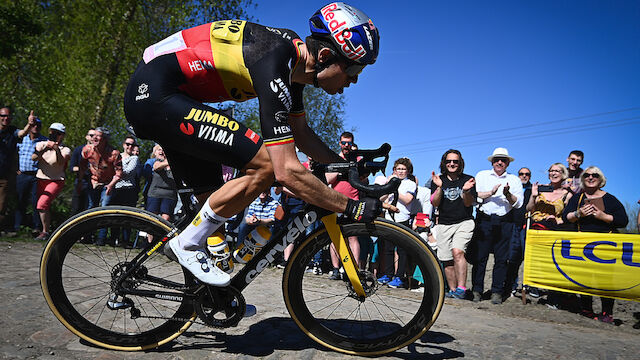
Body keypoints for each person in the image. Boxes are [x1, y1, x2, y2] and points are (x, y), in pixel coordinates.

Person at [123, 3, 381, 286]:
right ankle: (187, 245)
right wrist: (350, 207)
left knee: (215, 204)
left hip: (170, 98)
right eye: (353, 68)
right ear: (325, 55)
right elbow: (285, 171)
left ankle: (210, 294)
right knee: (266, 165)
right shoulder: (275, 58)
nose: (354, 79)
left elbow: (301, 133)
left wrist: (348, 168)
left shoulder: (291, 65)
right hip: (155, 96)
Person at [563, 166, 628, 323]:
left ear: (601, 179)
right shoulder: (577, 198)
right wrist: (579, 214)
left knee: (605, 280)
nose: (591, 178)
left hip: (606, 245)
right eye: (587, 175)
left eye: (595, 175)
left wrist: (603, 216)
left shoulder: (610, 199)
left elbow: (623, 221)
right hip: (582, 244)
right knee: (584, 277)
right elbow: (566, 217)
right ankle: (587, 309)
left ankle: (607, 312)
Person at [472, 147, 524, 304]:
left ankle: (496, 291)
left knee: (501, 259)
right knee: (480, 258)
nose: (499, 162)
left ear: (508, 163)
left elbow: (518, 203)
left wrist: (507, 194)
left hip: (504, 221)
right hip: (484, 220)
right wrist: (490, 193)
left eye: (503, 160)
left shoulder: (514, 180)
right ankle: (476, 290)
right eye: (497, 159)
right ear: (492, 162)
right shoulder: (482, 175)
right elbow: (474, 196)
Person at [430, 149, 476, 299]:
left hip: (464, 222)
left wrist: (466, 191)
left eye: (455, 161)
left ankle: (462, 288)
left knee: (458, 252)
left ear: (460, 163)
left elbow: (469, 204)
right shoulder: (438, 179)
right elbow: (435, 203)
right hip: (444, 223)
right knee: (446, 258)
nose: (452, 164)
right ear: (444, 163)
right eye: (449, 161)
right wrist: (438, 187)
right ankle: (453, 290)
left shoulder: (468, 179)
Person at [326, 132, 362, 280]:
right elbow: (328, 178)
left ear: (352, 143)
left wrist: (353, 165)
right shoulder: (334, 158)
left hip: (353, 201)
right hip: (335, 202)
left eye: (349, 143)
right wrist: (342, 168)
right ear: (339, 143)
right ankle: (336, 269)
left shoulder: (358, 159)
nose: (346, 146)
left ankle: (353, 269)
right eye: (343, 143)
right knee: (335, 237)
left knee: (353, 237)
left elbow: (364, 179)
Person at [378, 158, 416, 289]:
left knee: (401, 250)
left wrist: (395, 188)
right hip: (389, 218)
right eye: (398, 169)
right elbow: (381, 198)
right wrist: (388, 188)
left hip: (402, 218)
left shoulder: (410, 184)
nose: (400, 171)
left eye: (403, 169)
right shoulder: (390, 182)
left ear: (408, 171)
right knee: (388, 249)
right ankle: (388, 275)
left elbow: (407, 200)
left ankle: (399, 276)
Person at [0, 108, 38, 231]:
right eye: (3, 116)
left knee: (1, 204)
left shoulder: (12, 131)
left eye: (8, 116)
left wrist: (29, 124)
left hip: (4, 175)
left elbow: (22, 133)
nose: (6, 118)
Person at [32, 123, 71, 240]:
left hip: (56, 180)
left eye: (58, 133)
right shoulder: (41, 144)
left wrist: (56, 149)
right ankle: (44, 229)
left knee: (42, 204)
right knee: (42, 206)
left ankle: (45, 232)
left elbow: (61, 162)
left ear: (62, 136)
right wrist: (45, 149)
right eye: (52, 132)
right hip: (40, 178)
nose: (54, 135)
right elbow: (34, 158)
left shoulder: (66, 150)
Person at [13, 117, 47, 236]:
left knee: (36, 202)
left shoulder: (44, 141)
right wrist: (15, 168)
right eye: (34, 125)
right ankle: (17, 227)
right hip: (22, 174)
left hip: (37, 175)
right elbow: (13, 154)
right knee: (20, 200)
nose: (35, 127)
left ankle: (36, 228)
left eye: (38, 125)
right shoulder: (21, 139)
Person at [504, 167, 533, 297]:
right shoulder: (513, 186)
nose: (524, 176)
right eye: (521, 174)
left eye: (527, 174)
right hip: (511, 224)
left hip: (524, 226)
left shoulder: (532, 190)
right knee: (510, 256)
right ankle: (510, 285)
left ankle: (522, 285)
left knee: (521, 256)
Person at [111, 136, 140, 247]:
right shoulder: (117, 156)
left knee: (127, 216)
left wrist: (116, 170)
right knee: (114, 215)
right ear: (123, 144)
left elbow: (128, 171)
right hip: (116, 188)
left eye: (132, 145)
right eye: (128, 144)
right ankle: (113, 238)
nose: (129, 146)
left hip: (128, 190)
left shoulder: (134, 158)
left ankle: (125, 240)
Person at [145, 145, 178, 222]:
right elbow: (156, 167)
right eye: (160, 150)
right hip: (155, 194)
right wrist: (168, 161)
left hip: (170, 195)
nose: (162, 152)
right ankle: (150, 234)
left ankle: (162, 234)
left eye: (164, 150)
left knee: (165, 219)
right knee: (152, 219)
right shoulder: (157, 162)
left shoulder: (176, 165)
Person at [69, 128, 95, 215]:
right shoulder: (78, 150)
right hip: (80, 182)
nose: (93, 138)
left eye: (95, 136)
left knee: (89, 209)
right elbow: (71, 168)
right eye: (91, 135)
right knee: (76, 208)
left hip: (93, 184)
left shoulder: (99, 152)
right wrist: (83, 169)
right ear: (86, 137)